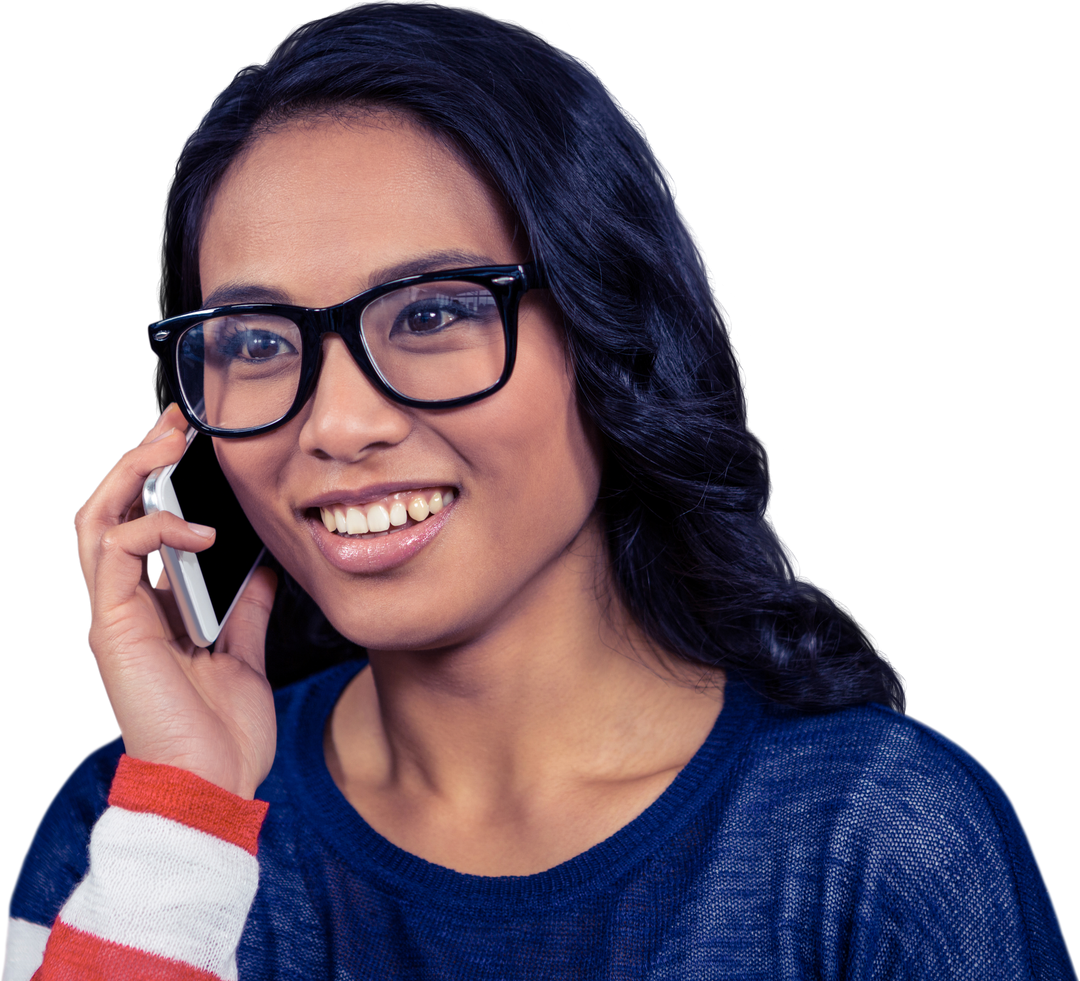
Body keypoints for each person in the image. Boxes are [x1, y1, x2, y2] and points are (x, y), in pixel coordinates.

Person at [4, 2, 1075, 979]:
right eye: (253, 339)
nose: (334, 425)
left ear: (613, 336)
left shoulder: (877, 838)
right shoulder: (137, 824)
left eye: (430, 315)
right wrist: (190, 812)